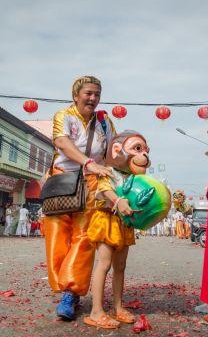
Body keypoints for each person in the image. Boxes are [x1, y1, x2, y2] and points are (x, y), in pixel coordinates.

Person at [44, 76, 116, 320]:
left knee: (84, 239)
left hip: (93, 184)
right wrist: (88, 162)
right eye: (88, 93)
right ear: (76, 95)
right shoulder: (64, 116)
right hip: (61, 182)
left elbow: (113, 154)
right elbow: (62, 143)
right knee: (56, 238)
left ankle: (70, 293)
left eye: (97, 94)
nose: (93, 98)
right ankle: (64, 286)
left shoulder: (105, 123)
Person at [84, 130, 150, 329]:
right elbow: (104, 189)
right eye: (138, 149)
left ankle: (117, 307)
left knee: (120, 267)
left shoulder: (133, 178)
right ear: (117, 149)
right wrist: (117, 200)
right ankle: (96, 311)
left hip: (124, 223)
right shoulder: (108, 170)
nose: (144, 155)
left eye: (146, 150)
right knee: (104, 264)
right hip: (107, 219)